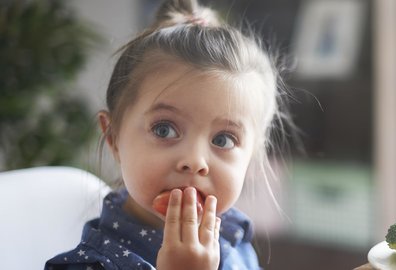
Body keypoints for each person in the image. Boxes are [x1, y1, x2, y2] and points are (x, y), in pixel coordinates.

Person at [45, 0, 296, 269]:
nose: (195, 160)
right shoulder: (91, 264)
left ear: (252, 155)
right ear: (114, 137)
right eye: (164, 129)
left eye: (223, 139)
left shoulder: (235, 238)